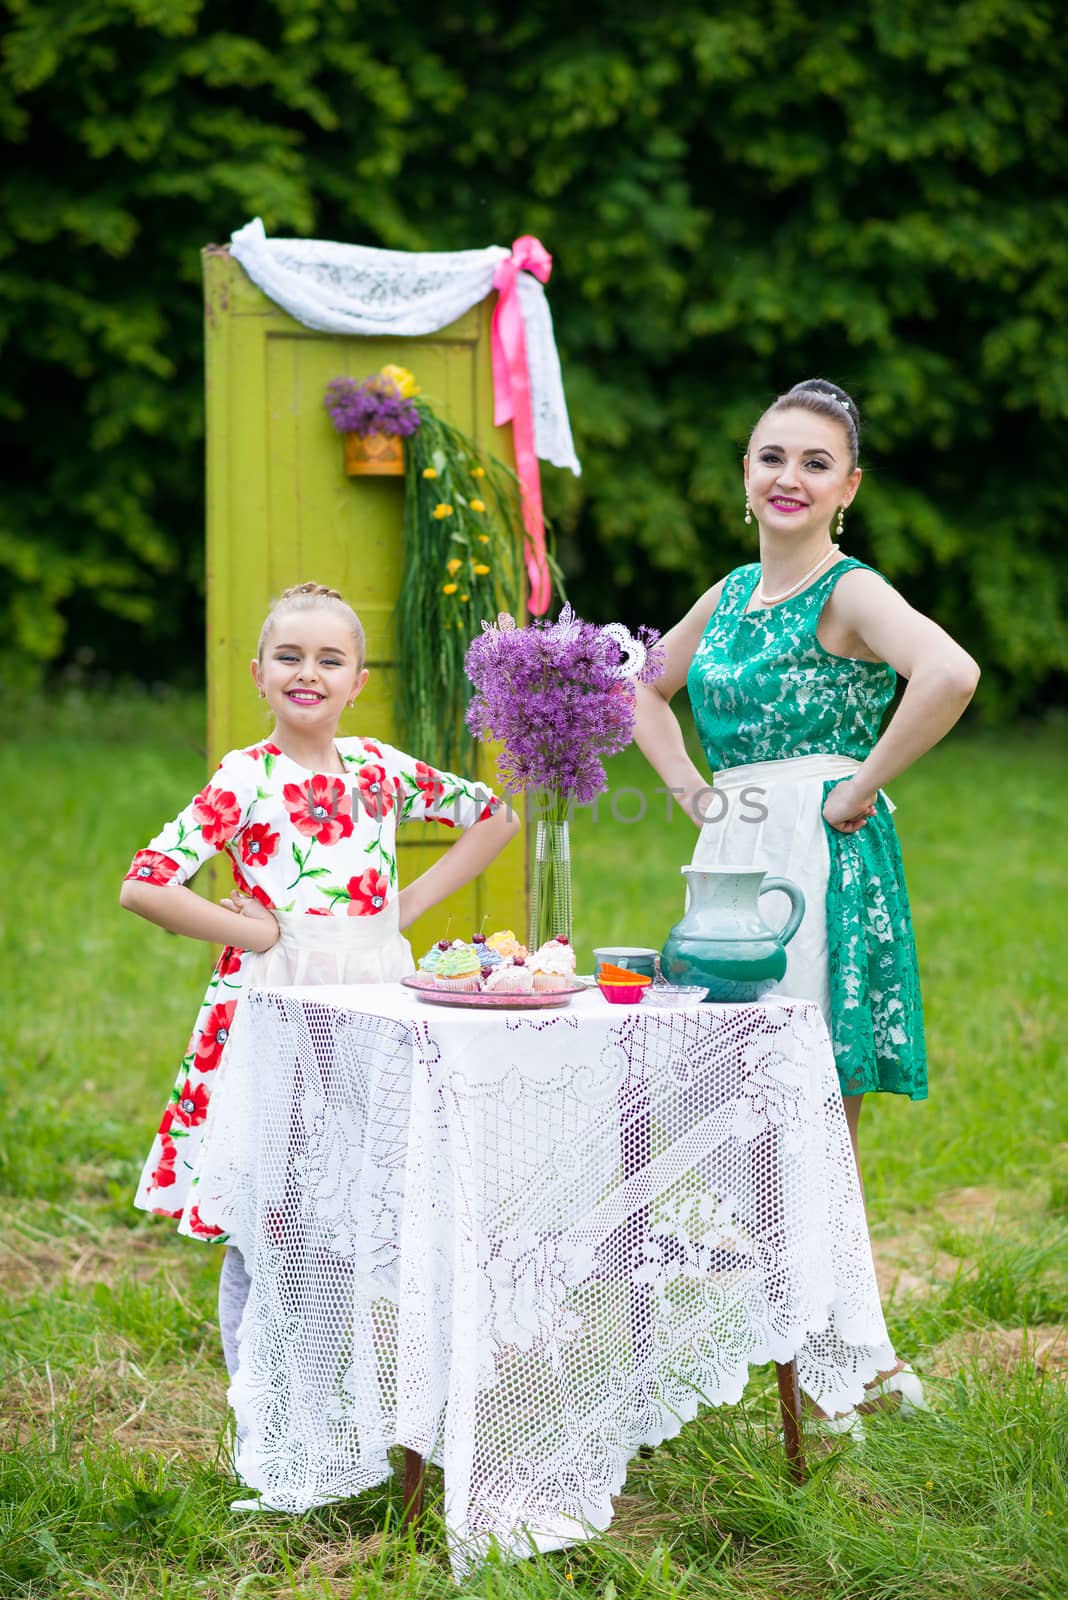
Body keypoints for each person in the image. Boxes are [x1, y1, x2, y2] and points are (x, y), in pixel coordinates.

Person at [634, 378, 979, 1427]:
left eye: (815, 462)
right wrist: (693, 789)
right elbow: (644, 687)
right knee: (737, 1104)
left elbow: (949, 671)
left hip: (817, 858)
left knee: (814, 1107)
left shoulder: (849, 590)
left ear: (848, 487)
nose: (790, 476)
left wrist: (862, 785)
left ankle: (848, 1353)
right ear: (746, 473)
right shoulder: (732, 592)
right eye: (772, 455)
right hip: (733, 855)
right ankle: (778, 1331)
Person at [120, 580, 520, 1399]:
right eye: (290, 657)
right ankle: (263, 1402)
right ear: (260, 674)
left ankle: (336, 1390)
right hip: (276, 1003)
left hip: (372, 999)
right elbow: (146, 884)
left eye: (330, 659)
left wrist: (403, 908)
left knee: (356, 1192)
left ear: (357, 680)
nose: (309, 673)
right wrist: (259, 932)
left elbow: (495, 817)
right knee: (273, 1204)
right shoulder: (245, 779)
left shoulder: (377, 769)